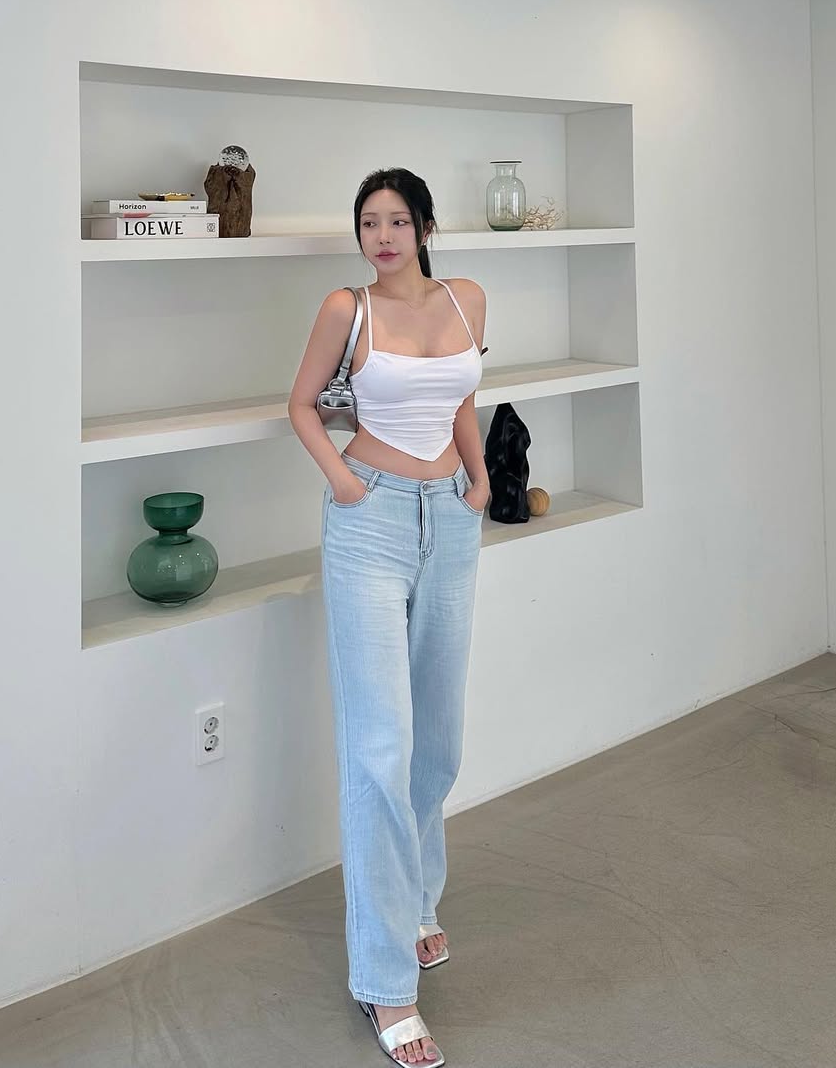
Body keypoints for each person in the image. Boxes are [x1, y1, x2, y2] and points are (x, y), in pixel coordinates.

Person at [288, 167, 488, 1066]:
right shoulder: (348, 308)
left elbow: (460, 398)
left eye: (398, 220)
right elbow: (302, 404)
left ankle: (415, 905)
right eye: (369, 222)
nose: (382, 235)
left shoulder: (467, 298)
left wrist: (478, 482)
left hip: (451, 518)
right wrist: (343, 483)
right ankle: (384, 983)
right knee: (381, 746)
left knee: (437, 738)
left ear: (425, 227)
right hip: (368, 521)